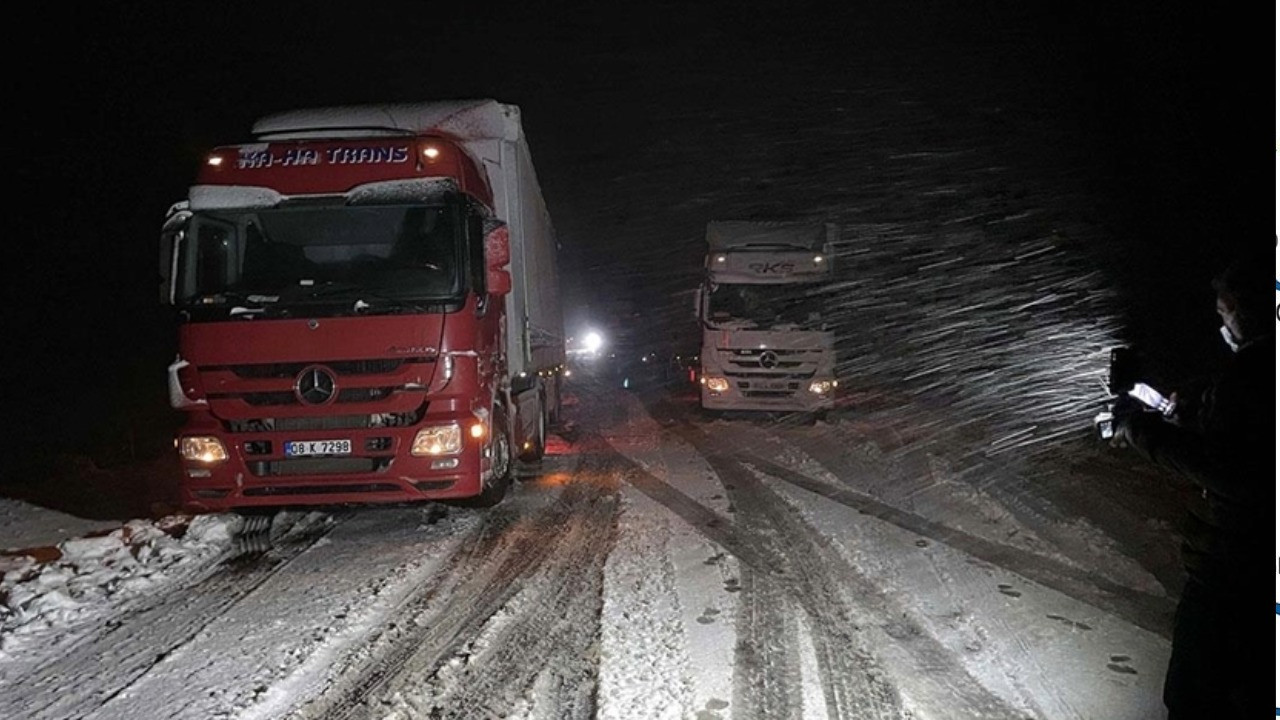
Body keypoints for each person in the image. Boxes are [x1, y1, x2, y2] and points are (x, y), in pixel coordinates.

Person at [1110, 251, 1271, 719]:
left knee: (1196, 694)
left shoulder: (1250, 376)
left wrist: (1140, 430)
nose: (1223, 324)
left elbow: (1227, 467)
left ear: (1246, 310)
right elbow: (1237, 436)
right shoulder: (1252, 374)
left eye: (1225, 312)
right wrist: (1168, 408)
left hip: (1239, 567)